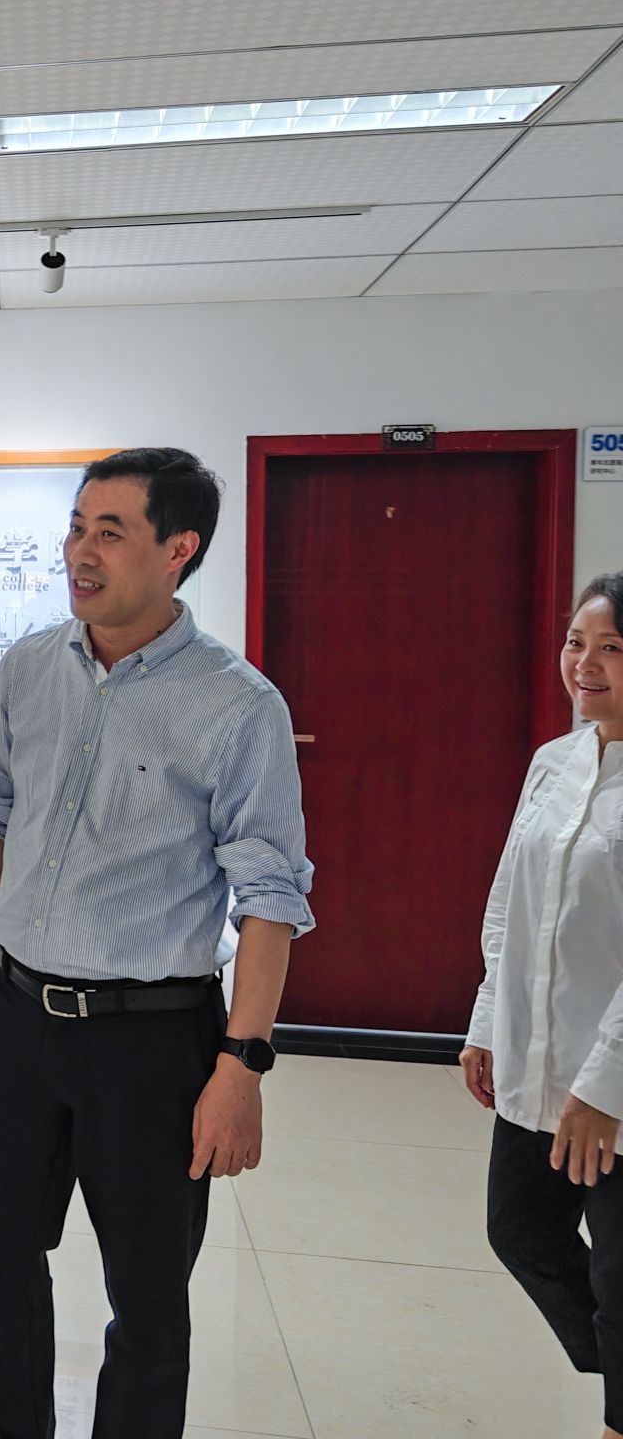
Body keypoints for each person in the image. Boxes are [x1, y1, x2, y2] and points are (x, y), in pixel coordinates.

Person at [0, 447, 315, 1439]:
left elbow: (270, 898)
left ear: (177, 549)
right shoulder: (29, 667)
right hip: (10, 1015)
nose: (79, 552)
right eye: (76, 527)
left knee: (148, 1298)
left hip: (147, 1040)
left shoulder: (239, 706)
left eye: (109, 533)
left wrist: (240, 1065)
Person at [463, 572, 623, 1439]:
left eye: (612, 649)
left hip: (612, 1082)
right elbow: (507, 907)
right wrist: (487, 1022)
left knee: (620, 1274)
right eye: (576, 643)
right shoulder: (553, 762)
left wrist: (606, 1085)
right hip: (537, 1061)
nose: (584, 665)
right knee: (519, 1230)